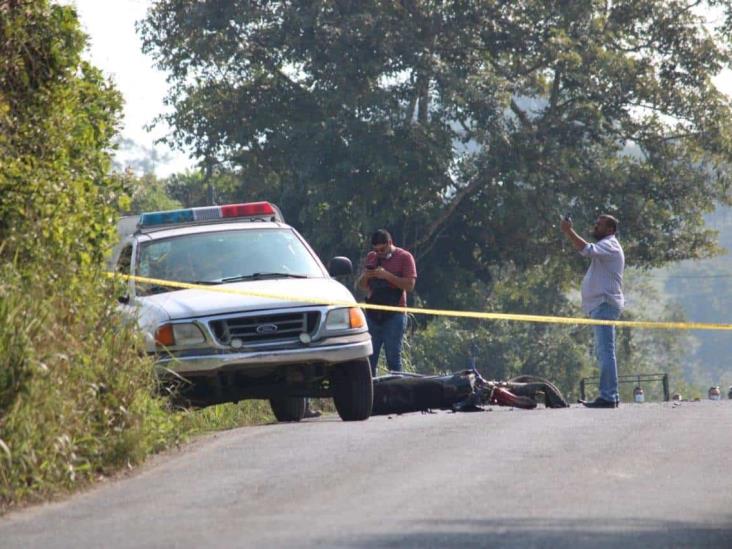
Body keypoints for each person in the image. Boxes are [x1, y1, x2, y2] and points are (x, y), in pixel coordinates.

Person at [561, 214, 624, 408]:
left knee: (606, 352)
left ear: (610, 230)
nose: (595, 227)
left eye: (600, 225)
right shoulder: (607, 245)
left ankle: (608, 396)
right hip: (600, 306)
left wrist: (568, 231)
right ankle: (610, 394)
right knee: (603, 352)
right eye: (595, 224)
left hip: (605, 304)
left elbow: (586, 249)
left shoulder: (610, 244)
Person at [357, 229, 417, 376]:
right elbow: (361, 286)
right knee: (369, 358)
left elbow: (409, 285)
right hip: (373, 314)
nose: (380, 253)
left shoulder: (404, 257)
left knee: (393, 358)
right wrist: (366, 276)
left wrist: (387, 276)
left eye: (382, 249)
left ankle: (397, 394)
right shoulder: (371, 258)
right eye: (376, 250)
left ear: (390, 243)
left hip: (394, 314)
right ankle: (370, 394)